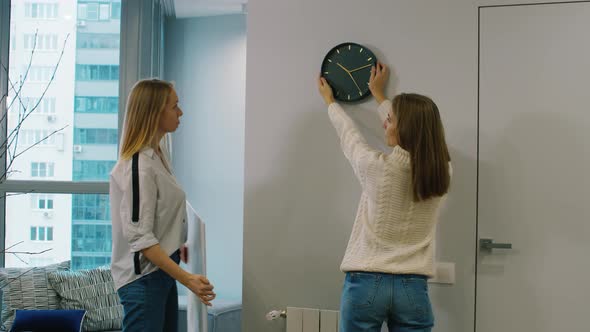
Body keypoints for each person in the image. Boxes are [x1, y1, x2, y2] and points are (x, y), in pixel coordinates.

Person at [317, 63, 451, 332]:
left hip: (366, 283)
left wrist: (330, 102)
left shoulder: (376, 167)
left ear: (404, 129)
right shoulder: (443, 173)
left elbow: (349, 136)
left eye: (390, 121)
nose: (385, 125)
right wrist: (378, 95)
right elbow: (417, 129)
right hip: (412, 288)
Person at [109, 79, 215, 332]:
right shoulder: (139, 166)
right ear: (154, 112)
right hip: (143, 278)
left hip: (162, 270)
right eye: (175, 106)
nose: (181, 112)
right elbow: (140, 238)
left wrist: (176, 241)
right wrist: (188, 279)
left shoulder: (157, 156)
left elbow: (161, 213)